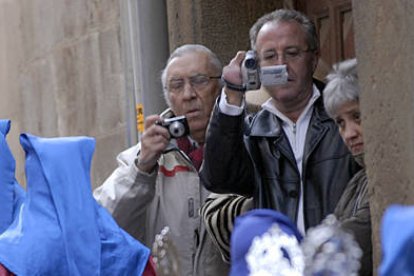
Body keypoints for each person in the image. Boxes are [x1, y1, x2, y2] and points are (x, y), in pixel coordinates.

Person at [202, 58, 372, 275]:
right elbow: (218, 187)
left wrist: (280, 257)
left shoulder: (372, 176)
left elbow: (356, 235)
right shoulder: (358, 182)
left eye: (357, 116)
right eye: (340, 122)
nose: (349, 133)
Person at [200, 8, 360, 235]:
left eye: (292, 53)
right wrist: (233, 95)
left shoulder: (343, 119)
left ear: (313, 59)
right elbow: (219, 179)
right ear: (256, 64)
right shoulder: (253, 131)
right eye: (270, 56)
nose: (281, 65)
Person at [93, 44, 229, 276]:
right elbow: (102, 226)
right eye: (177, 86)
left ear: (221, 86)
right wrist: (141, 169)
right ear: (168, 97)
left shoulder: (246, 143)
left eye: (199, 81)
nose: (188, 94)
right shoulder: (144, 157)